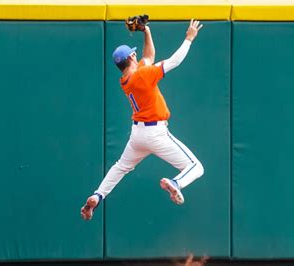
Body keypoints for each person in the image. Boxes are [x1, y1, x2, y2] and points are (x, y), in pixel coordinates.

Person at [81, 19, 205, 220]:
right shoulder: (142, 76)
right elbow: (173, 61)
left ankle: (98, 195)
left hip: (138, 135)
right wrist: (189, 38)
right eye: (133, 53)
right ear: (130, 57)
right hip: (155, 133)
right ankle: (176, 183)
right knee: (196, 167)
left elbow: (149, 55)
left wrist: (146, 30)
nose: (136, 54)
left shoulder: (127, 78)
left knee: (121, 167)